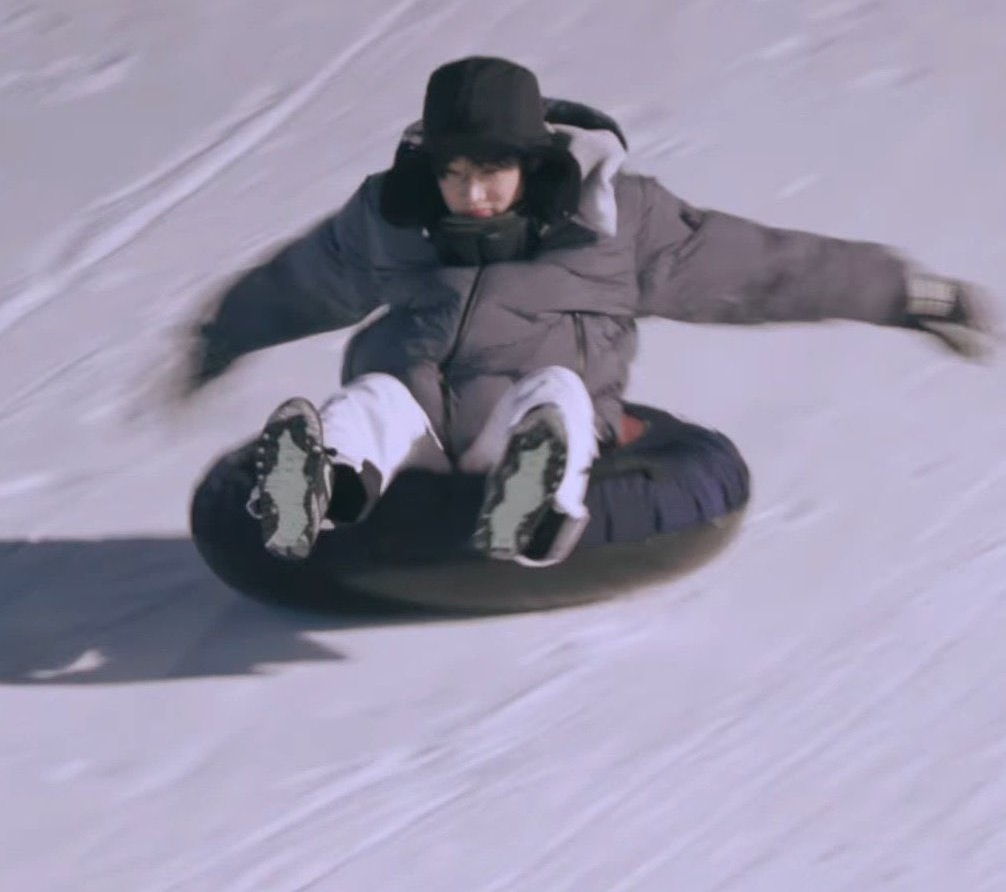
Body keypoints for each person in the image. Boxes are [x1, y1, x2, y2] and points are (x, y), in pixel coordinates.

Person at [181, 55, 997, 566]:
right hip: (419, 427)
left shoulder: (619, 222)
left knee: (558, 398)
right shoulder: (389, 217)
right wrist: (223, 335)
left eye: (493, 170)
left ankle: (535, 499)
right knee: (370, 399)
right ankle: (328, 480)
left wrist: (907, 294)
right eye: (454, 171)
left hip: (524, 411)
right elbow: (304, 279)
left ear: (532, 163)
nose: (471, 193)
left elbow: (768, 271)